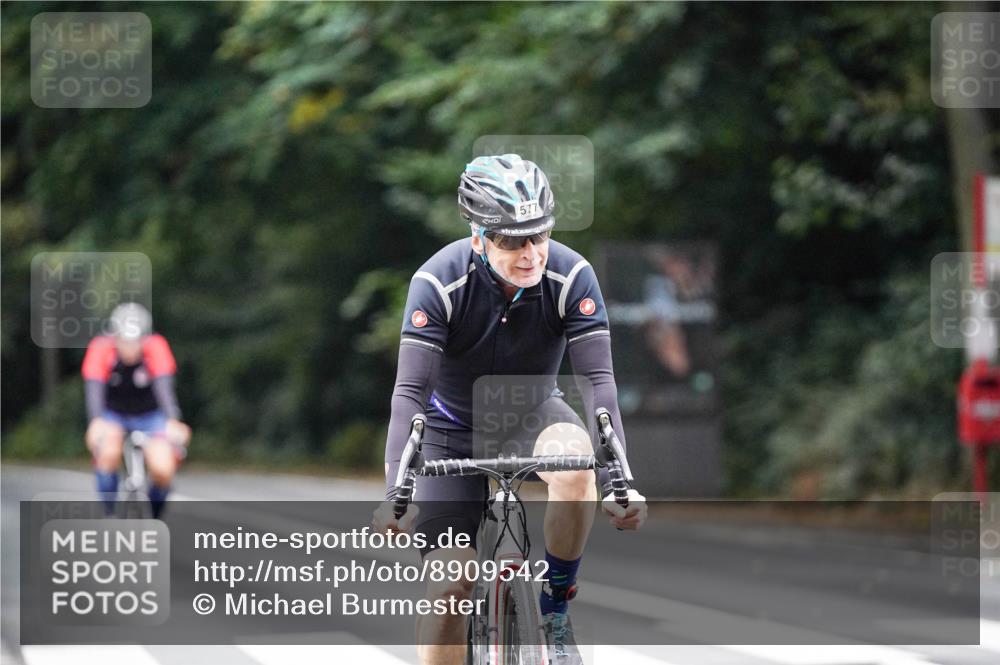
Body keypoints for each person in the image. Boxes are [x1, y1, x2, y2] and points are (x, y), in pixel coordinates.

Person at [372, 154, 647, 665]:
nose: (530, 253)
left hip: (532, 415)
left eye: (539, 235)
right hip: (448, 429)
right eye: (512, 240)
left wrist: (619, 483)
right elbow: (409, 393)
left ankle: (556, 610)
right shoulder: (438, 282)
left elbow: (597, 383)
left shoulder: (571, 276)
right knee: (451, 584)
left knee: (576, 466)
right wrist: (398, 489)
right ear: (478, 237)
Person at [82, 303, 190, 518]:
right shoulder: (101, 348)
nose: (129, 347)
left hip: (150, 415)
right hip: (113, 414)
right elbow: (94, 389)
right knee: (108, 452)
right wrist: (95, 421)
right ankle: (109, 514)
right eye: (124, 340)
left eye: (135, 341)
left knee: (163, 469)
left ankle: (155, 514)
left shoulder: (156, 347)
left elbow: (164, 388)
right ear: (115, 337)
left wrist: (172, 419)